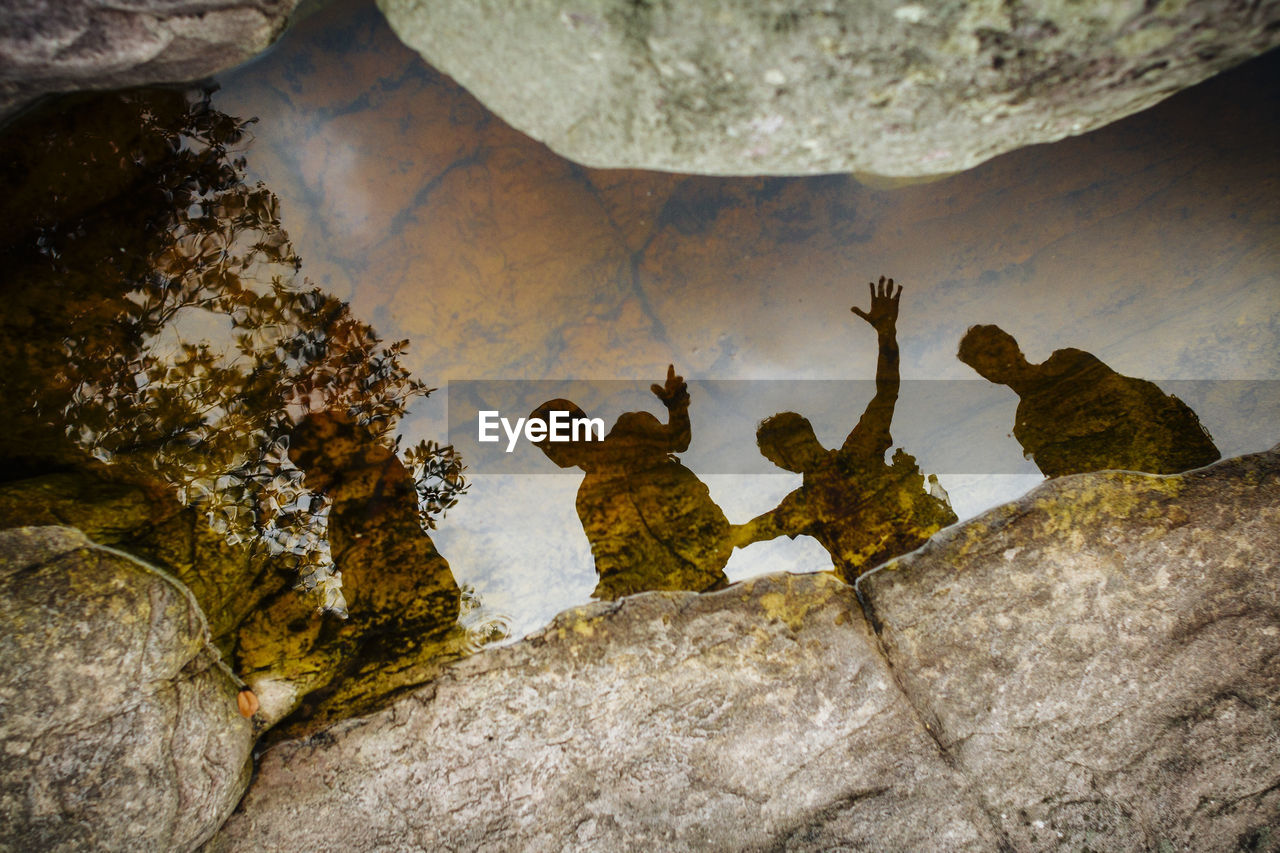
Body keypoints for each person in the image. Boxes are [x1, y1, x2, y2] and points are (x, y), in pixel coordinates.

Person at [737, 277, 957, 583]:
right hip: (890, 584)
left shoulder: (858, 454)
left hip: (938, 555)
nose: (793, 455)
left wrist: (886, 334)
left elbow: (886, 391)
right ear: (782, 463)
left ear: (809, 436)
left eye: (793, 443)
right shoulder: (802, 505)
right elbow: (740, 535)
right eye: (783, 453)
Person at [531, 365, 733, 600]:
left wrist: (677, 407)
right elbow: (611, 562)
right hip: (664, 587)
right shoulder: (588, 496)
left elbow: (678, 440)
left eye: (547, 445)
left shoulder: (631, 430)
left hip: (699, 565)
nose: (549, 453)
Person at [956, 325, 1220, 477]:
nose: (995, 357)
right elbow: (1081, 481)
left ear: (1012, 342)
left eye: (994, 345)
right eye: (983, 358)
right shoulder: (1029, 426)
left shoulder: (1071, 361)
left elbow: (1137, 403)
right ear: (986, 376)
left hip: (1189, 463)